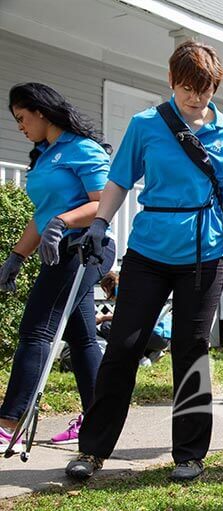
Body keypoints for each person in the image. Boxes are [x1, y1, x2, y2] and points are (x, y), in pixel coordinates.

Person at [64, 41, 223, 482]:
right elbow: (119, 180)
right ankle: (92, 451)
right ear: (171, 81)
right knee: (123, 348)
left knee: (192, 353)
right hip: (149, 252)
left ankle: (189, 454)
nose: (197, 97)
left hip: (204, 255)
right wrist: (99, 224)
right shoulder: (146, 125)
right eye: (189, 87)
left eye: (205, 89)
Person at [0, 83, 116, 450]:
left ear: (41, 111)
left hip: (85, 251)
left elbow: (103, 204)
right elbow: (41, 216)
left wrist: (63, 222)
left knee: (36, 330)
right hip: (58, 252)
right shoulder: (45, 156)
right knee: (82, 339)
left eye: (22, 118)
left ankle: (8, 424)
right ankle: (97, 421)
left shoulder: (82, 149)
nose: (20, 126)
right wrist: (16, 257)